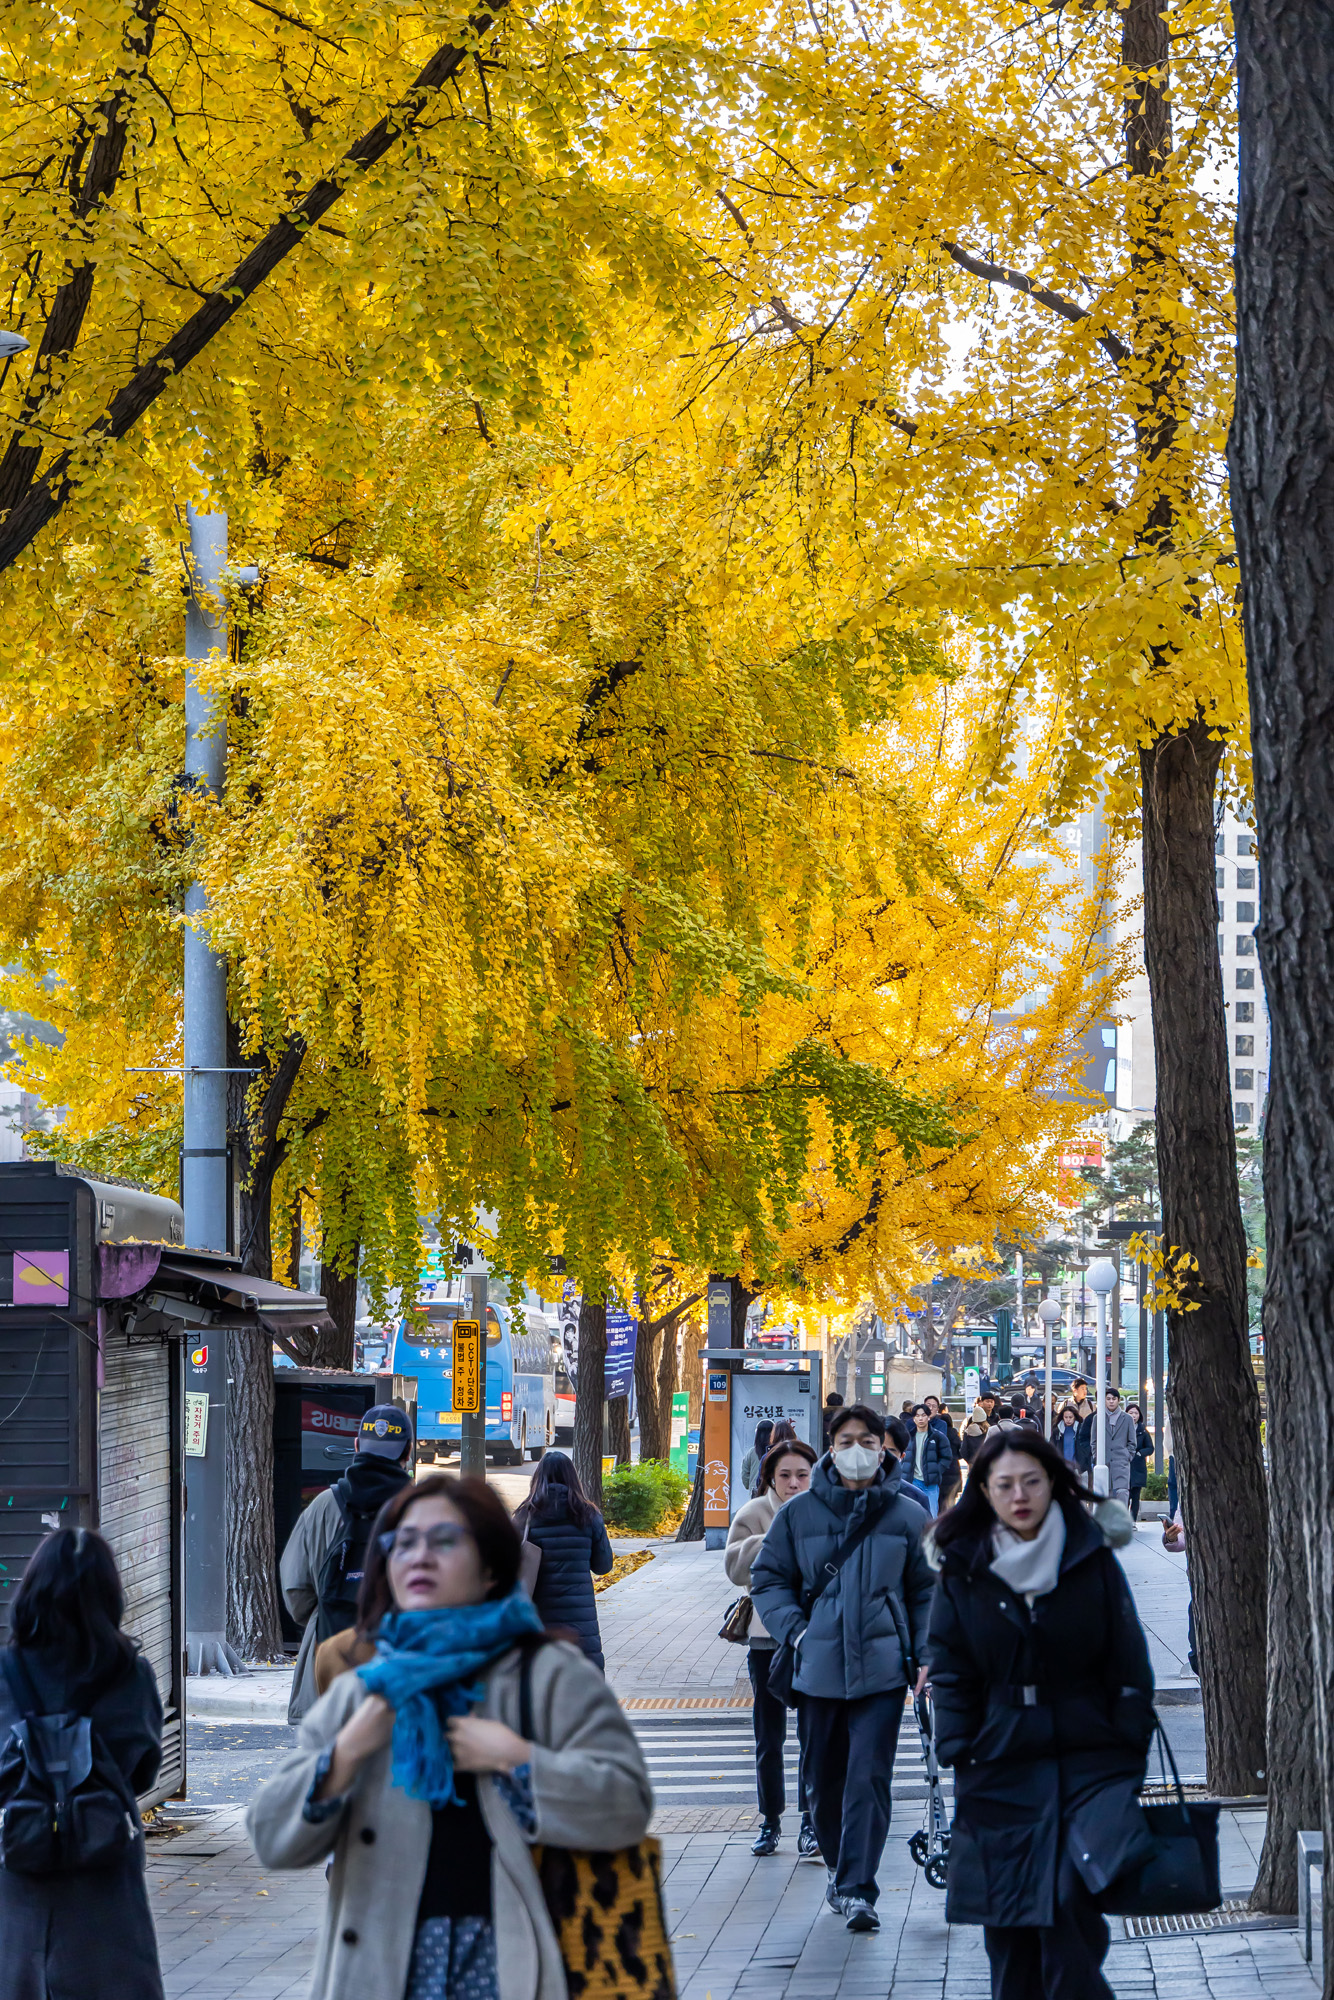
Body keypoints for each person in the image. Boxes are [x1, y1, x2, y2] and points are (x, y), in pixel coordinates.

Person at [248, 1473, 654, 2000]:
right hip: (386, 1968)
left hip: (517, 1962)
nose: (419, 1556)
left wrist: (519, 1758)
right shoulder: (365, 1685)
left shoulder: (550, 1676)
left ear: (490, 1567)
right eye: (404, 1542)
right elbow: (271, 1837)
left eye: (444, 1541)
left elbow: (626, 1804)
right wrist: (343, 1755)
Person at [924, 1429, 1152, 1999]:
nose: (1020, 1495)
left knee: (1070, 1912)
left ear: (1053, 1483)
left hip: (1088, 1760)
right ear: (984, 1490)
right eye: (1005, 1484)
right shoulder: (965, 1566)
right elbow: (949, 1664)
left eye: (1031, 1481)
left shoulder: (1089, 1556)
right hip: (998, 1762)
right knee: (1010, 1928)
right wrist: (961, 1747)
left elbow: (1128, 1662)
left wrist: (1126, 1751)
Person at [751, 1402, 934, 1934]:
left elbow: (926, 1591)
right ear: (831, 1445)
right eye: (847, 1440)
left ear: (884, 1449)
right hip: (817, 1671)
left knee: (868, 1779)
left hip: (881, 1670)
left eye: (869, 1441)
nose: (858, 1450)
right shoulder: (798, 1514)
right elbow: (768, 1579)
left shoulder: (907, 1515)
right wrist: (798, 1631)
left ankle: (858, 1887)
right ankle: (838, 1868)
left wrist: (925, 1655)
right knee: (823, 1783)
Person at [0, 1527, 166, 2000]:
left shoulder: (5, 1673)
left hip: (19, 1860)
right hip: (104, 1865)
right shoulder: (129, 1671)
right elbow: (143, 1770)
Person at [281, 1402, 415, 1722]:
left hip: (328, 1672)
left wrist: (327, 1613)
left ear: (356, 1447)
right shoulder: (424, 1508)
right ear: (408, 1452)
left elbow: (295, 1588)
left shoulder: (324, 1506)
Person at [724, 1439, 820, 1858]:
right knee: (769, 1735)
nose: (794, 1483)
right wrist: (776, 1536)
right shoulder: (752, 1514)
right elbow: (734, 1569)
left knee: (813, 1734)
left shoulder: (826, 1511)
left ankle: (812, 1821)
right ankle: (770, 1820)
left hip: (815, 1639)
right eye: (785, 1475)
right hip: (766, 1639)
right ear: (770, 1477)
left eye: (802, 1474)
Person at [511, 1452, 614, 1670]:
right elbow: (603, 1566)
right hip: (581, 1625)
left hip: (539, 1622)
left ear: (537, 1478)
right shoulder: (589, 1514)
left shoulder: (524, 1516)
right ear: (573, 1478)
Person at [904, 1404, 949, 1515]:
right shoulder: (908, 1437)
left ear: (928, 1417)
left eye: (923, 1415)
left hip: (930, 1483)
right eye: (917, 1416)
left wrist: (936, 1470)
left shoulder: (938, 1436)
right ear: (913, 1418)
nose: (920, 1418)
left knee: (932, 1513)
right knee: (913, 1514)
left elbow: (947, 1457)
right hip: (912, 1481)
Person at [924, 1396, 962, 1503]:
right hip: (952, 1471)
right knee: (948, 1503)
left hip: (936, 1475)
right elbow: (961, 1452)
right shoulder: (953, 1433)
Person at [1102, 1388, 1135, 1505]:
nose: (1111, 1401)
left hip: (1121, 1461)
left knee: (1122, 1492)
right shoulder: (1098, 1418)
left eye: (1114, 1399)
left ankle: (1123, 1520)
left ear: (1119, 1400)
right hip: (1104, 1462)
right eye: (1108, 1399)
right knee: (1106, 1494)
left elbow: (1132, 1442)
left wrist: (1128, 1455)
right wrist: (1097, 1456)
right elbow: (1093, 1441)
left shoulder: (1127, 1418)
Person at [1126, 1404, 1155, 1520]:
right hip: (1125, 1465)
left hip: (1138, 1467)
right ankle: (1124, 1521)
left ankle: (1133, 1521)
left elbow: (1150, 1448)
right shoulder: (1122, 1428)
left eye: (1136, 1413)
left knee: (1135, 1496)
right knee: (1125, 1495)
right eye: (1131, 1413)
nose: (1133, 1416)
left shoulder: (1142, 1430)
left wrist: (1140, 1453)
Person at [741, 1420, 776, 1495]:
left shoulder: (751, 1452)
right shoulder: (777, 1451)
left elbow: (745, 1475)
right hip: (773, 1494)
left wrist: (751, 1484)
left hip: (755, 1494)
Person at [959, 1401, 993, 1468]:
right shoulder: (989, 1430)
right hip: (986, 1463)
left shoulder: (968, 1432)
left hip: (973, 1463)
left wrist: (970, 1461)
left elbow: (963, 1450)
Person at [1052, 1402, 1082, 1471]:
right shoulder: (1057, 1431)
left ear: (1074, 1417)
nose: (1068, 1420)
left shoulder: (1080, 1430)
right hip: (1061, 1465)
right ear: (1063, 1417)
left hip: (1077, 1465)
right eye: (1066, 1417)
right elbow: (1052, 1446)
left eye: (1070, 1417)